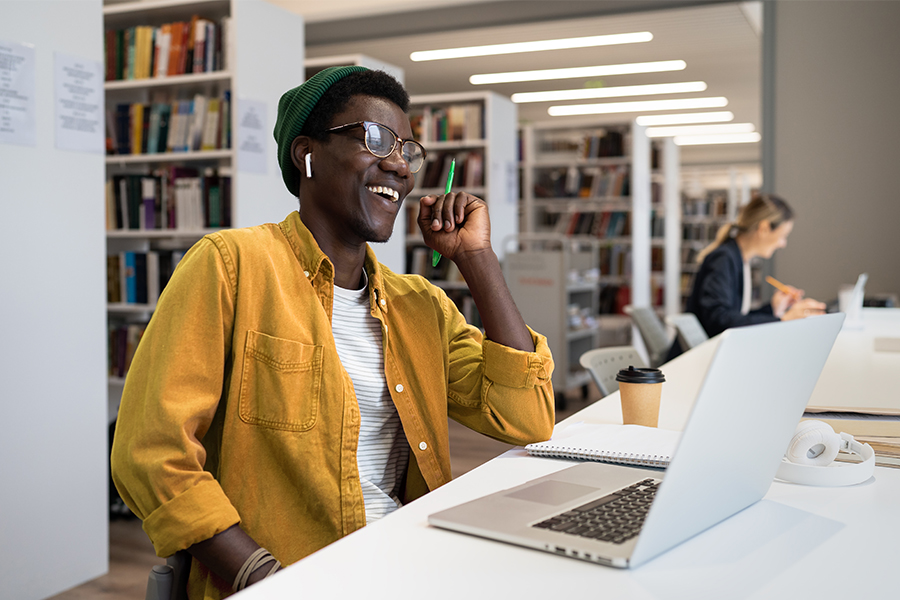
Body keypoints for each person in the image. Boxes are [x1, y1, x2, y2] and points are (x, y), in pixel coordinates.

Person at [111, 66, 555, 599]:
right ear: (307, 155)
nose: (398, 164)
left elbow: (526, 417)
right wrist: (268, 578)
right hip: (285, 578)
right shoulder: (231, 266)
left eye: (408, 150)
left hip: (404, 563)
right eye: (374, 139)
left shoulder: (421, 306)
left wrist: (477, 259)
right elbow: (151, 453)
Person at [684, 193, 826, 341]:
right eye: (783, 236)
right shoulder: (724, 259)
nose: (783, 244)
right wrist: (784, 320)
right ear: (764, 228)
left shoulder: (738, 257)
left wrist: (773, 308)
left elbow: (736, 318)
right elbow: (719, 320)